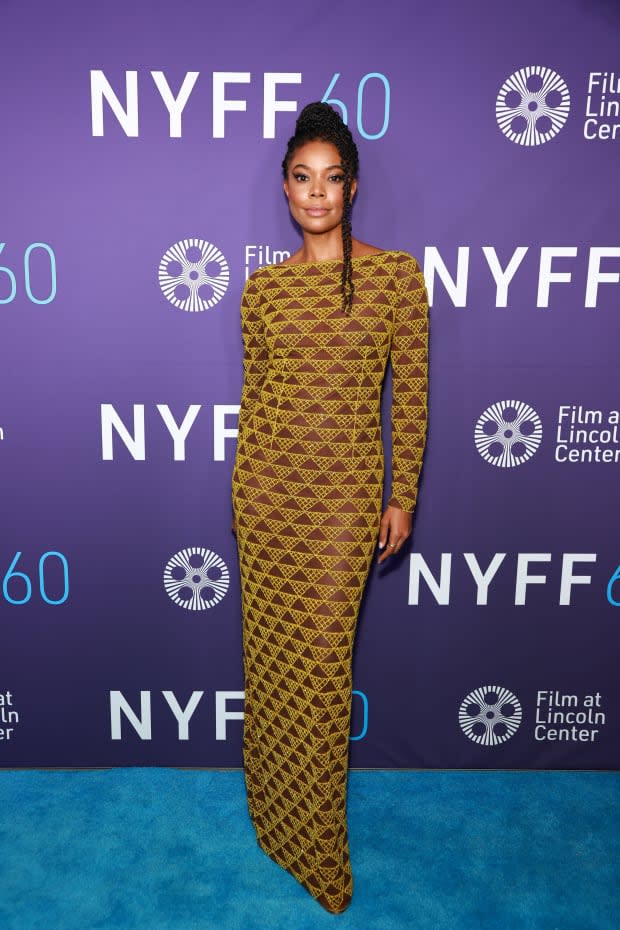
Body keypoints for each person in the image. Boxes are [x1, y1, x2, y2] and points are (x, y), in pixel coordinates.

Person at [231, 101, 429, 913]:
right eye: (302, 179)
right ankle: (276, 821)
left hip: (344, 508)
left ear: (353, 188)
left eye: (332, 179)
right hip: (266, 503)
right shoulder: (263, 291)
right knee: (272, 672)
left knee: (320, 671)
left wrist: (401, 496)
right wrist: (243, 494)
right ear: (285, 190)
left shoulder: (395, 277)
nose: (318, 194)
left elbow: (410, 398)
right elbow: (256, 399)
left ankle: (321, 850)